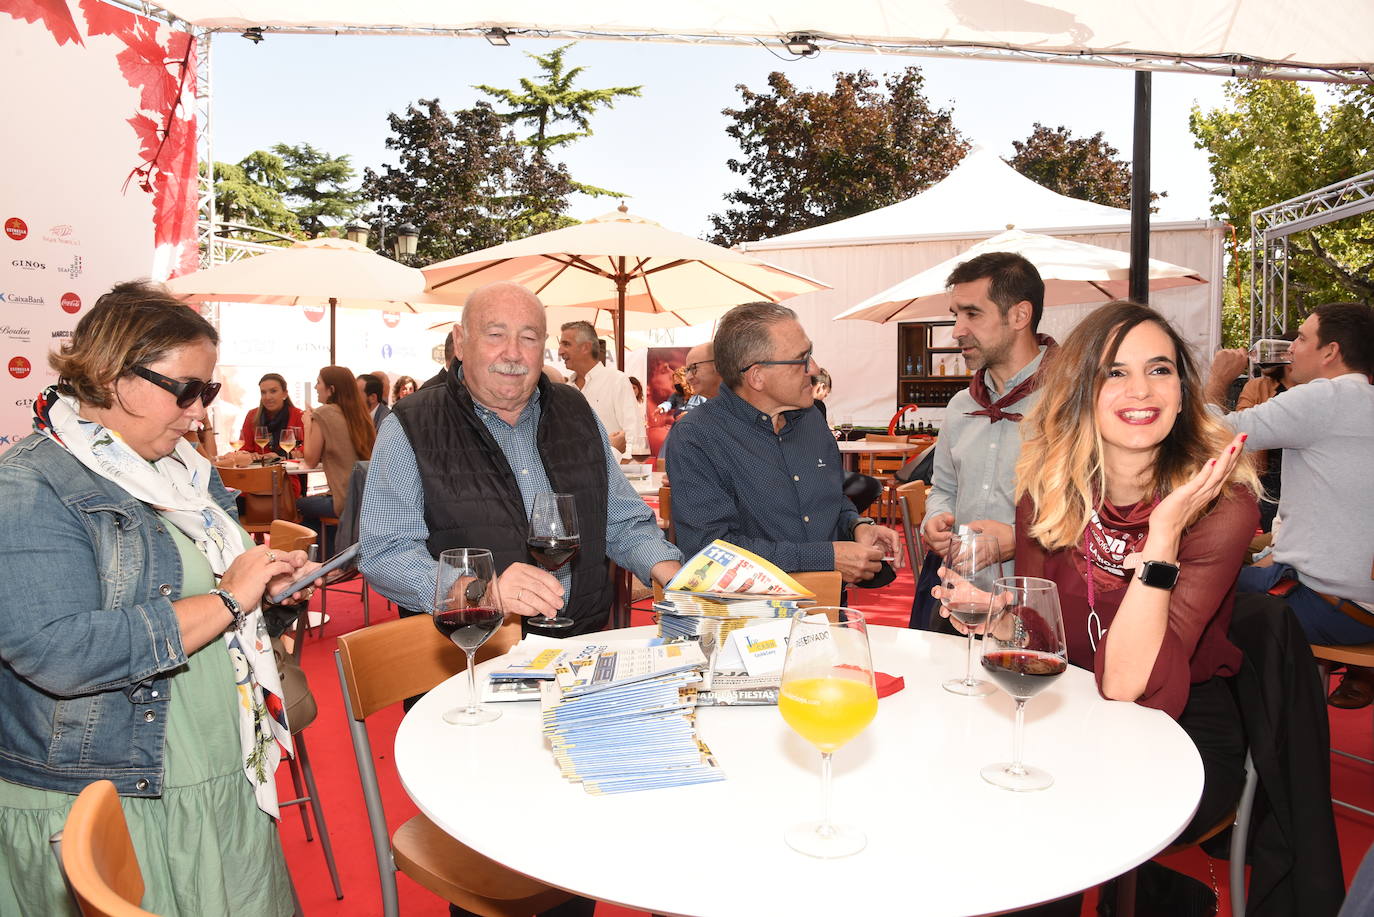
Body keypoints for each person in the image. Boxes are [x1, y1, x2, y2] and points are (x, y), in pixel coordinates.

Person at [0, 280, 320, 915]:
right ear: (116, 377)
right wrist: (230, 600)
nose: (201, 412)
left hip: (211, 763)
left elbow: (205, 588)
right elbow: (58, 653)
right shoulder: (31, 486)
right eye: (189, 391)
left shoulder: (177, 473)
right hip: (119, 786)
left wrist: (268, 591)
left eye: (209, 392)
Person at [987, 301, 1257, 911]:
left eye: (1160, 370)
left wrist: (1161, 539)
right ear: (1082, 391)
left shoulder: (1222, 506)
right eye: (1114, 372)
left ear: (1184, 393)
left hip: (1178, 731)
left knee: (1051, 810)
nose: (1141, 390)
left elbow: (1131, 684)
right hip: (1071, 703)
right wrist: (1002, 614)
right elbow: (1040, 636)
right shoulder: (1050, 488)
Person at [358, 282, 683, 638]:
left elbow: (621, 521)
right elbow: (386, 552)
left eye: (528, 338)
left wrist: (677, 576)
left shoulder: (576, 411)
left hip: (581, 648)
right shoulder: (411, 425)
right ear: (461, 342)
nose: (512, 353)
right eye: (495, 334)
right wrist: (480, 591)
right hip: (473, 657)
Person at [1207, 303, 1374, 707]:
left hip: (1332, 608)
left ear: (1330, 351)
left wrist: (1217, 380)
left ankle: (1238, 740)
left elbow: (1215, 435)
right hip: (1359, 602)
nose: (1291, 348)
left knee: (1186, 597)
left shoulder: (1326, 396)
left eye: (1301, 338)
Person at [664, 301, 899, 583]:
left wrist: (856, 525)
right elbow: (711, 550)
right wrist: (827, 557)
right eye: (801, 359)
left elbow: (830, 499)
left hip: (828, 613)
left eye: (810, 354)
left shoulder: (812, 419)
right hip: (748, 619)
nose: (814, 368)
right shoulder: (698, 436)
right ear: (757, 377)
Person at [916, 252, 1054, 628]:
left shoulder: (1072, 399)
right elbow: (943, 488)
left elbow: (1097, 509)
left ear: (1019, 316)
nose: (957, 330)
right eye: (955, 314)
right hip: (957, 598)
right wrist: (935, 519)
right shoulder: (961, 405)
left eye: (972, 314)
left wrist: (1021, 539)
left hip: (1037, 609)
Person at [299, 365, 375, 533]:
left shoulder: (324, 413)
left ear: (331, 389)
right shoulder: (360, 413)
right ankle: (331, 551)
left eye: (318, 382)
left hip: (342, 500)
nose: (315, 387)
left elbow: (310, 460)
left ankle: (317, 554)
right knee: (315, 513)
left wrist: (307, 424)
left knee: (298, 506)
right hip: (367, 498)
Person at [558, 320, 646, 455]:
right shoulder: (566, 390)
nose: (560, 351)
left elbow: (635, 440)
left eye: (566, 344)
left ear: (585, 347)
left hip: (612, 473)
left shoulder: (617, 381)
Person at [237, 372, 304, 460]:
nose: (267, 397)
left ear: (285, 394)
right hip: (260, 471)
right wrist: (249, 455)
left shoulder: (299, 415)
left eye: (273, 391)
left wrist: (282, 456)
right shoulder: (252, 415)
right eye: (263, 392)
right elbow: (245, 448)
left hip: (291, 471)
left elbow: (308, 448)